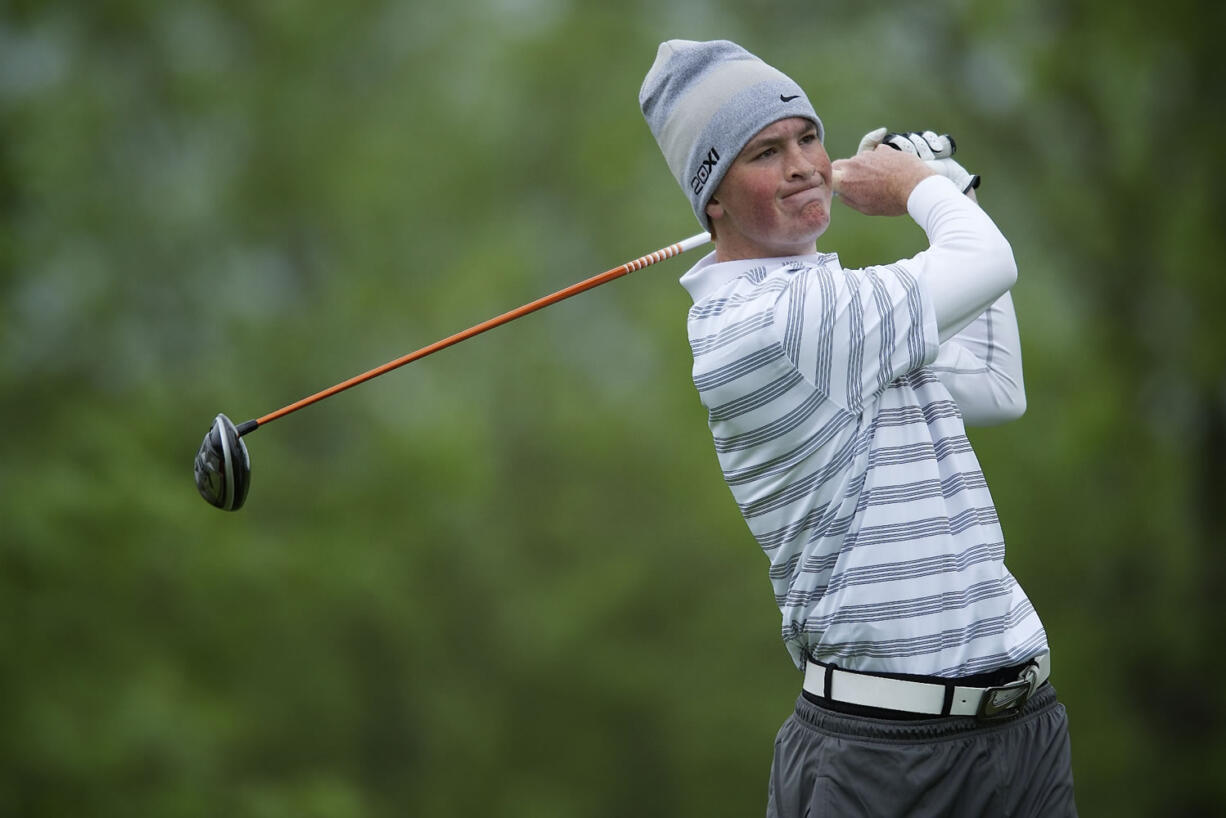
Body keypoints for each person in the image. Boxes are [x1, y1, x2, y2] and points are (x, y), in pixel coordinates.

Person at [639, 39, 1076, 816]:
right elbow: (988, 263)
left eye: (808, 136)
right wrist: (922, 187)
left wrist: (948, 192)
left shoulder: (841, 319)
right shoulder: (776, 323)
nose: (804, 165)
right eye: (765, 154)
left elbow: (995, 386)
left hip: (1019, 737)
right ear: (713, 198)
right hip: (889, 755)